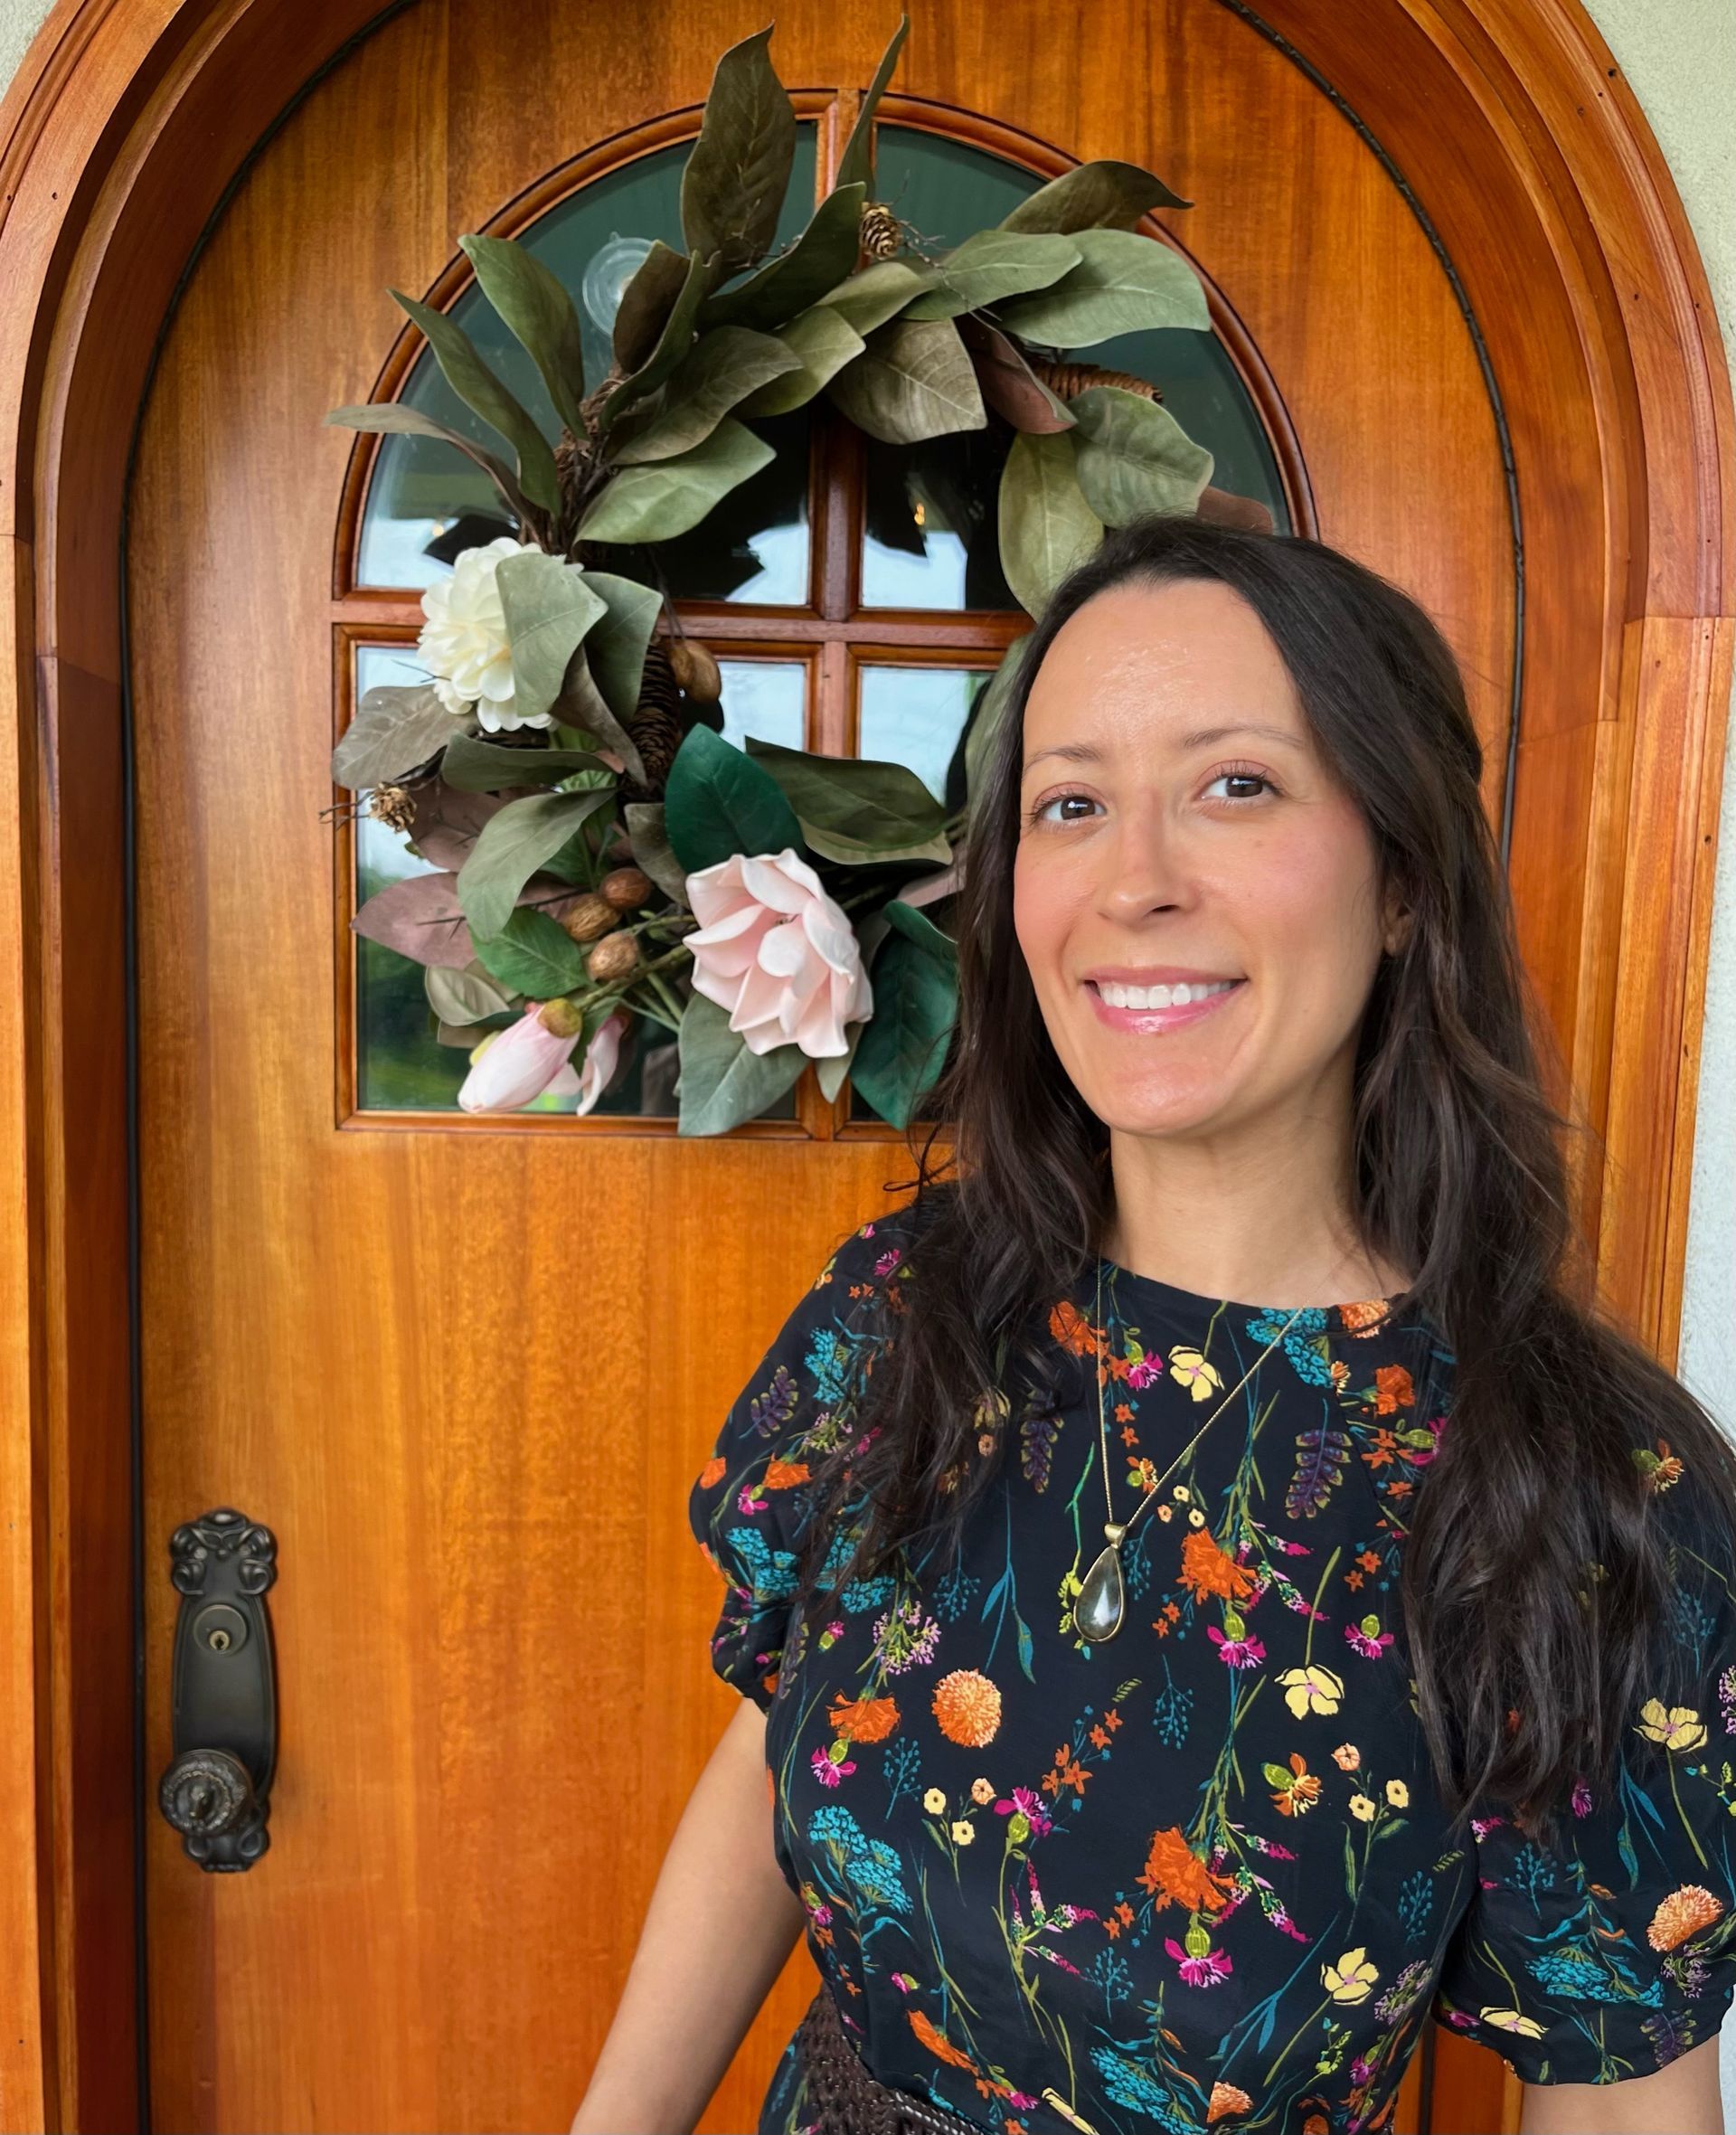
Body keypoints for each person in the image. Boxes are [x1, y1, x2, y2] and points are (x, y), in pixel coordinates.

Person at [572, 516, 1736, 2135]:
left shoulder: (1591, 1496)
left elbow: (1622, 2099)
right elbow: (770, 1742)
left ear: (1404, 879)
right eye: (1073, 803)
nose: (1137, 880)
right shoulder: (912, 1307)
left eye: (1236, 784)